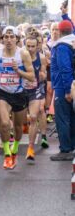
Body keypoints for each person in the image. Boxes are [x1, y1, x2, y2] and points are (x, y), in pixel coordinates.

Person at [0, 26, 34, 170]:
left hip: (19, 93)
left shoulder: (23, 54)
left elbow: (32, 76)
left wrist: (18, 70)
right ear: (3, 39)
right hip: (3, 93)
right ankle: (7, 155)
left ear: (17, 39)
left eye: (11, 37)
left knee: (18, 128)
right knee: (3, 123)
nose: (8, 40)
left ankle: (14, 149)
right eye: (6, 37)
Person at [50, 19, 75, 161]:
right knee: (72, 118)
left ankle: (65, 150)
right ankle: (71, 147)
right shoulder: (72, 43)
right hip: (72, 85)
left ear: (59, 31)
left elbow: (64, 68)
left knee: (63, 119)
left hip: (63, 87)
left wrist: (66, 91)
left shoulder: (61, 46)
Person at [24, 35, 48, 161]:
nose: (30, 49)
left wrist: (42, 75)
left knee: (34, 116)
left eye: (33, 46)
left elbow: (44, 73)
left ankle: (31, 147)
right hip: (22, 91)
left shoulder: (41, 57)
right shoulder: (20, 57)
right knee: (21, 119)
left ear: (37, 46)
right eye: (28, 46)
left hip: (36, 90)